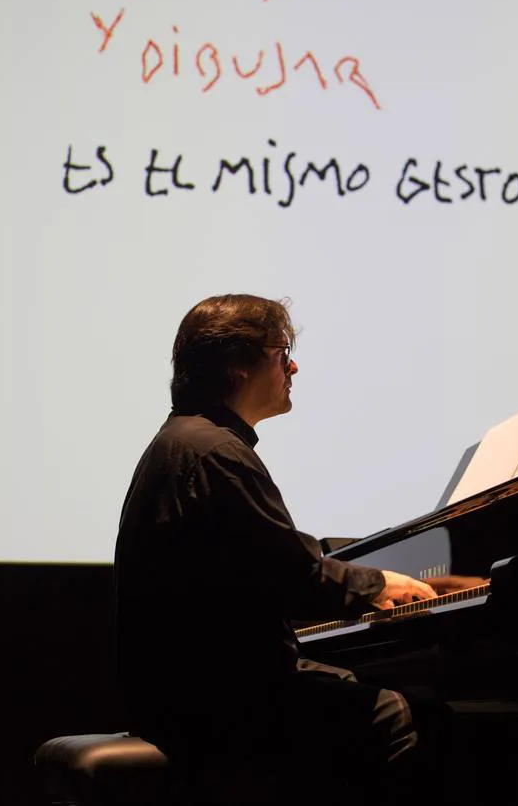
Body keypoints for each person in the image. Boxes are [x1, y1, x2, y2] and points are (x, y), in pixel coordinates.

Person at [114, 293, 440, 804]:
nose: (293, 365)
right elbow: (293, 578)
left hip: (182, 692)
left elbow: (258, 563)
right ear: (237, 366)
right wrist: (380, 584)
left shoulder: (186, 442)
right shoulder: (216, 452)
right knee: (388, 711)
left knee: (349, 687)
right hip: (215, 704)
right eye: (280, 350)